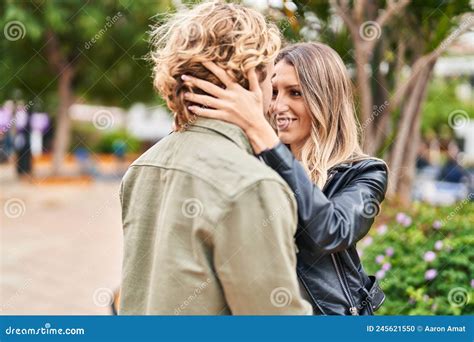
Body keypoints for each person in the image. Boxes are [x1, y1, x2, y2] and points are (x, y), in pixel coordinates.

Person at [118, 1, 312, 315]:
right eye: (269, 80)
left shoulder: (144, 166)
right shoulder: (250, 184)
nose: (274, 100)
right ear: (252, 77)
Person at [184, 42, 389, 315]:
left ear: (324, 100)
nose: (278, 106)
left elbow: (330, 232)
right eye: (275, 92)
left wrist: (265, 138)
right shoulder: (257, 164)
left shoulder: (365, 173)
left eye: (295, 93)